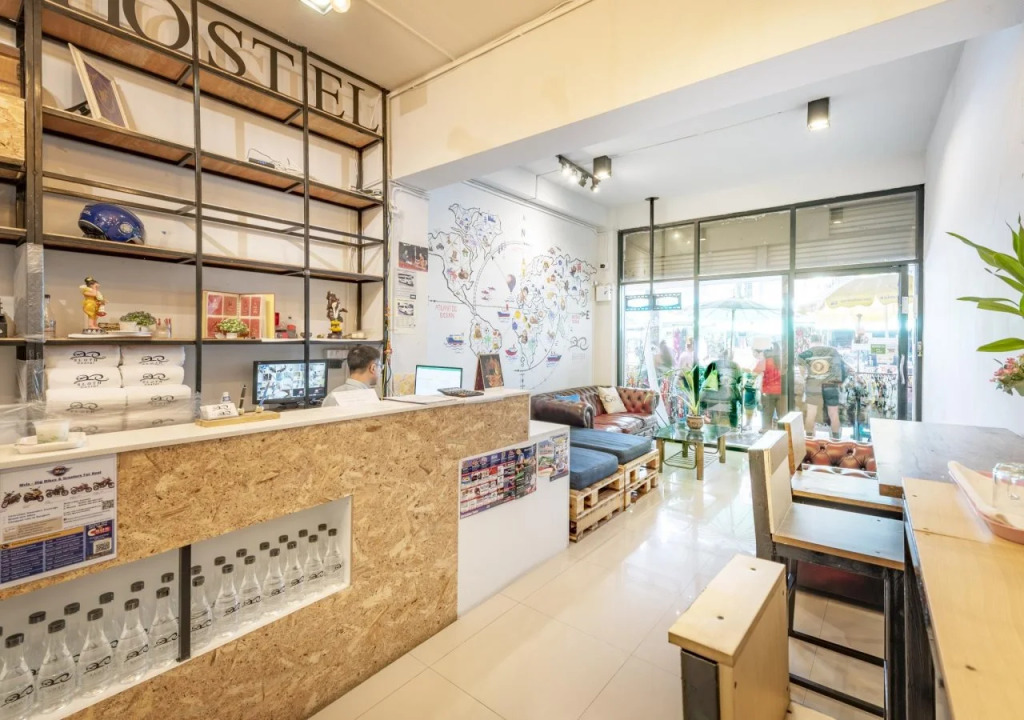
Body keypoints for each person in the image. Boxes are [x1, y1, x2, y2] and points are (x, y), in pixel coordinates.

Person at [754, 342, 784, 431]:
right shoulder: (782, 362)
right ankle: (782, 434)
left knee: (767, 417)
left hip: (768, 392)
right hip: (781, 392)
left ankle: (766, 433)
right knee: (782, 417)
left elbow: (754, 374)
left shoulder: (763, 362)